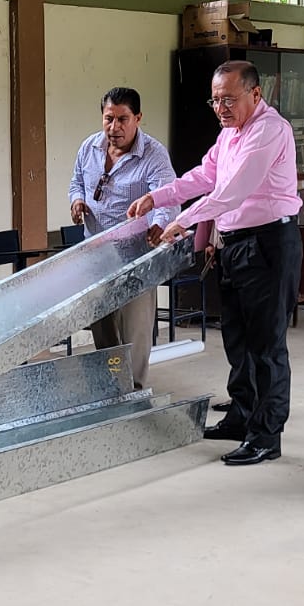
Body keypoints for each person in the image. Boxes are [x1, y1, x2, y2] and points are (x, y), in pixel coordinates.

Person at [127, 61, 301, 465]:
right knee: (237, 339)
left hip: (268, 244)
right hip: (235, 244)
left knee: (266, 344)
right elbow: (204, 176)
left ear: (255, 94)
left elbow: (232, 191)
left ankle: (266, 435)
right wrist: (158, 197)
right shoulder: (229, 133)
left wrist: (183, 221)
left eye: (229, 99)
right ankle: (242, 415)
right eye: (215, 100)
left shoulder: (269, 130)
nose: (220, 108)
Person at [69, 86, 177, 390]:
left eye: (122, 119)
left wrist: (159, 224)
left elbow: (167, 196)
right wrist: (77, 200)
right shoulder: (89, 147)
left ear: (138, 118)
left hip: (136, 254)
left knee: (135, 326)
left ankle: (135, 388)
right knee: (102, 323)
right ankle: (110, 385)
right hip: (97, 253)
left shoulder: (153, 154)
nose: (114, 127)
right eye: (108, 118)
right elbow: (76, 182)